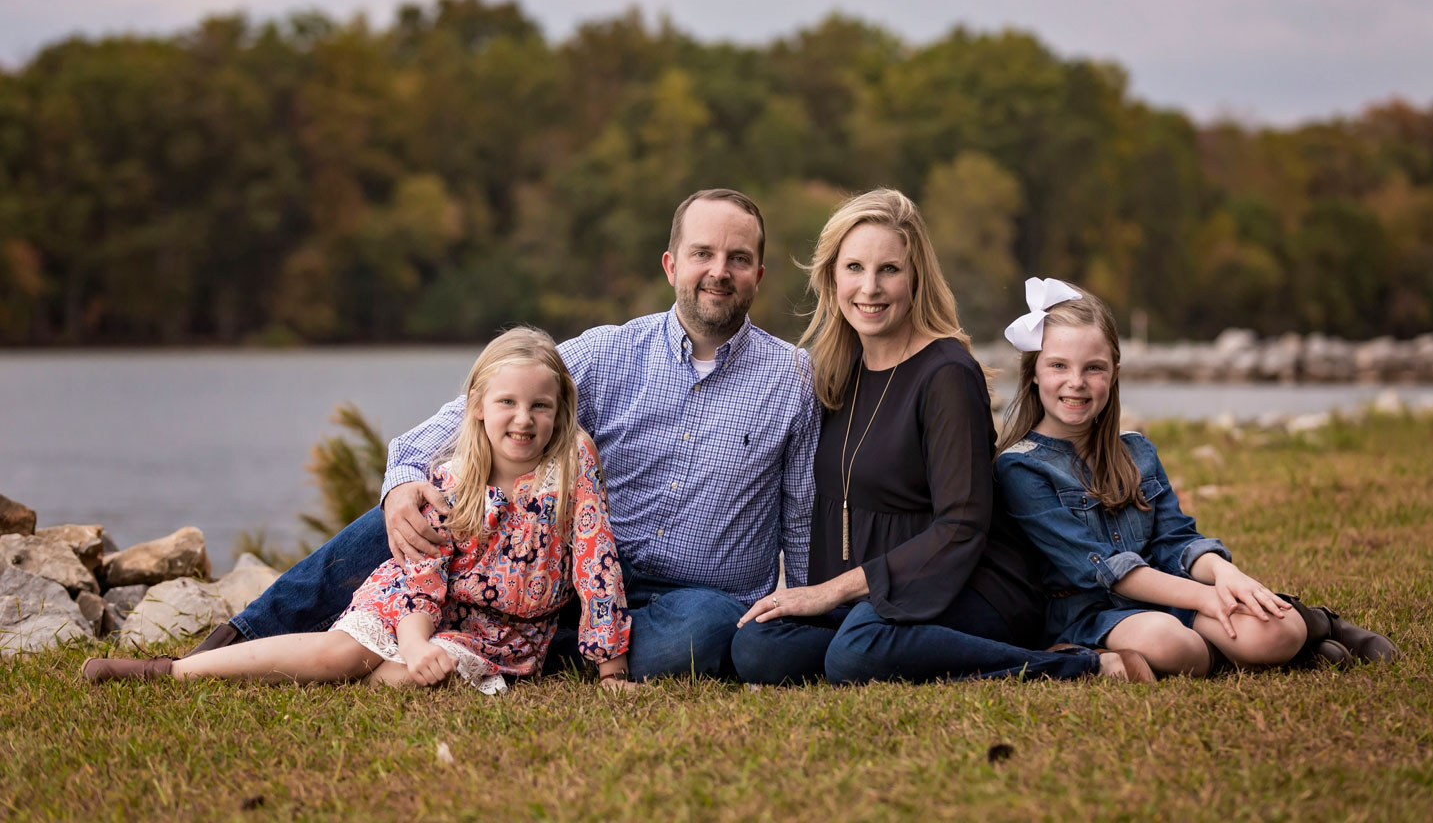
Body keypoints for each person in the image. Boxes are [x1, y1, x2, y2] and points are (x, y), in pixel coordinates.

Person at [191, 189, 819, 680]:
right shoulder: (606, 352)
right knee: (411, 509)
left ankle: (494, 645)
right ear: (671, 264)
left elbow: (802, 512)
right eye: (703, 254)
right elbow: (484, 403)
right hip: (570, 577)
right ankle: (248, 635)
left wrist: (814, 605)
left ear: (758, 274)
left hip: (690, 600)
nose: (719, 271)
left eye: (738, 259)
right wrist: (404, 477)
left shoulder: (791, 378)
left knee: (706, 631)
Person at [731, 190, 1153, 685]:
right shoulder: (835, 373)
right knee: (757, 647)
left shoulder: (947, 373)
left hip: (966, 587)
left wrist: (831, 592)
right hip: (867, 599)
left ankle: (1080, 665)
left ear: (915, 278)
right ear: (832, 277)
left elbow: (961, 527)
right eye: (854, 268)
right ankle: (885, 649)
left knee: (857, 652)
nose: (870, 287)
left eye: (889, 269)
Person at [84, 328, 634, 691]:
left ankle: (384, 669)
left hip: (497, 635)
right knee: (337, 655)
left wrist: (610, 671)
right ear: (477, 407)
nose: (524, 419)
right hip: (417, 603)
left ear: (560, 409)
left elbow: (596, 564)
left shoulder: (571, 463)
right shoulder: (455, 474)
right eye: (507, 403)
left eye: (540, 405)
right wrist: (416, 638)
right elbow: (424, 572)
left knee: (407, 680)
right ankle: (172, 671)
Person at [994, 278, 1400, 677]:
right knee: (1168, 642)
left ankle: (1315, 624)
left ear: (1115, 372)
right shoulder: (1021, 467)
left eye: (1094, 368)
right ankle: (1279, 656)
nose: (1076, 382)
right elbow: (1105, 570)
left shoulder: (1136, 450)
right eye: (1058, 366)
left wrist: (1226, 575)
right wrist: (1207, 597)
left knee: (1278, 630)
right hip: (1089, 612)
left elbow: (1175, 539)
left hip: (1172, 591)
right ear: (1033, 372)